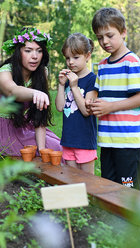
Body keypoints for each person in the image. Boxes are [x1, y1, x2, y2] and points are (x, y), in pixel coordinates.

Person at [86, 8, 140, 189]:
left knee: (128, 191)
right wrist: (89, 99)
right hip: (107, 139)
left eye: (109, 35)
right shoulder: (103, 65)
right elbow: (96, 91)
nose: (104, 41)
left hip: (128, 141)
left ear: (123, 32)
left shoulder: (131, 62)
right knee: (109, 188)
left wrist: (109, 107)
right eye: (99, 38)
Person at [0, 27, 62, 156]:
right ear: (18, 52)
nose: (35, 56)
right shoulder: (4, 72)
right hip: (0, 130)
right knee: (56, 148)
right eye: (28, 51)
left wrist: (41, 150)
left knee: (58, 147)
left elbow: (38, 116)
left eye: (39, 51)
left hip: (22, 125)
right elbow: (13, 92)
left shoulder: (41, 73)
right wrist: (36, 93)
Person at [55, 33, 98, 174]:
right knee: (71, 181)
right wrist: (62, 85)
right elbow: (60, 107)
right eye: (67, 58)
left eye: (76, 57)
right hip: (68, 140)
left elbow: (87, 111)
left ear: (88, 56)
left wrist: (74, 87)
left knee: (87, 182)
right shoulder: (68, 80)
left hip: (84, 141)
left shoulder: (93, 80)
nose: (70, 62)